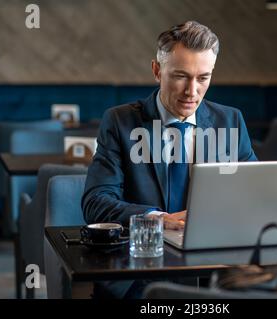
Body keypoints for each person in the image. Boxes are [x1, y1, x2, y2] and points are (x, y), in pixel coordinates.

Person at [81, 20, 257, 298]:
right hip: (140, 270)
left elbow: (254, 193)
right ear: (156, 70)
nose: (192, 91)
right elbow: (96, 202)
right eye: (180, 76)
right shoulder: (120, 122)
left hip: (215, 268)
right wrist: (157, 219)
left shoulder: (230, 120)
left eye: (203, 78)